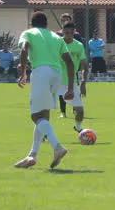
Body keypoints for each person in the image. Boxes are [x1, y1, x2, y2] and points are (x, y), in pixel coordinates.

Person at [14, 11, 75, 169]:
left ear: (31, 24)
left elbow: (24, 49)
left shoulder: (28, 33)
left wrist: (23, 74)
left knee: (35, 116)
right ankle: (32, 155)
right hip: (56, 75)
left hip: (41, 72)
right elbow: (69, 62)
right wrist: (69, 88)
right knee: (44, 116)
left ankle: (57, 147)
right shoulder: (56, 37)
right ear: (46, 24)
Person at [59, 22, 88, 132]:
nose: (69, 35)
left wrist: (83, 83)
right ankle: (42, 132)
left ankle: (78, 127)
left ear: (74, 32)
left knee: (80, 111)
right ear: (62, 32)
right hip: (55, 81)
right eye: (66, 33)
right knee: (44, 109)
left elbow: (85, 66)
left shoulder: (78, 46)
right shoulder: (57, 44)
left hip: (71, 82)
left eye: (71, 33)